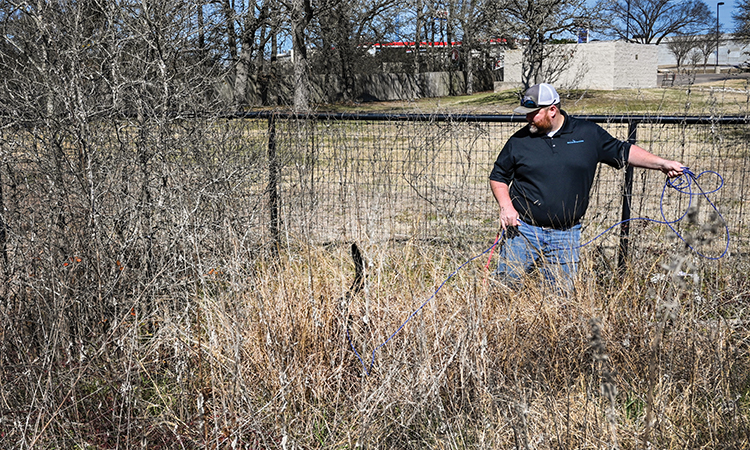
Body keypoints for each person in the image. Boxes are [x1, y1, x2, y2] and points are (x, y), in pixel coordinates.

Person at [489, 83, 684, 292]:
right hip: (523, 231)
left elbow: (624, 151)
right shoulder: (519, 141)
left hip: (566, 234)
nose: (527, 118)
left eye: (533, 113)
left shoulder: (588, 134)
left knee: (561, 297)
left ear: (552, 110)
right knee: (504, 289)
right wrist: (505, 206)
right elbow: (498, 176)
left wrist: (662, 163)